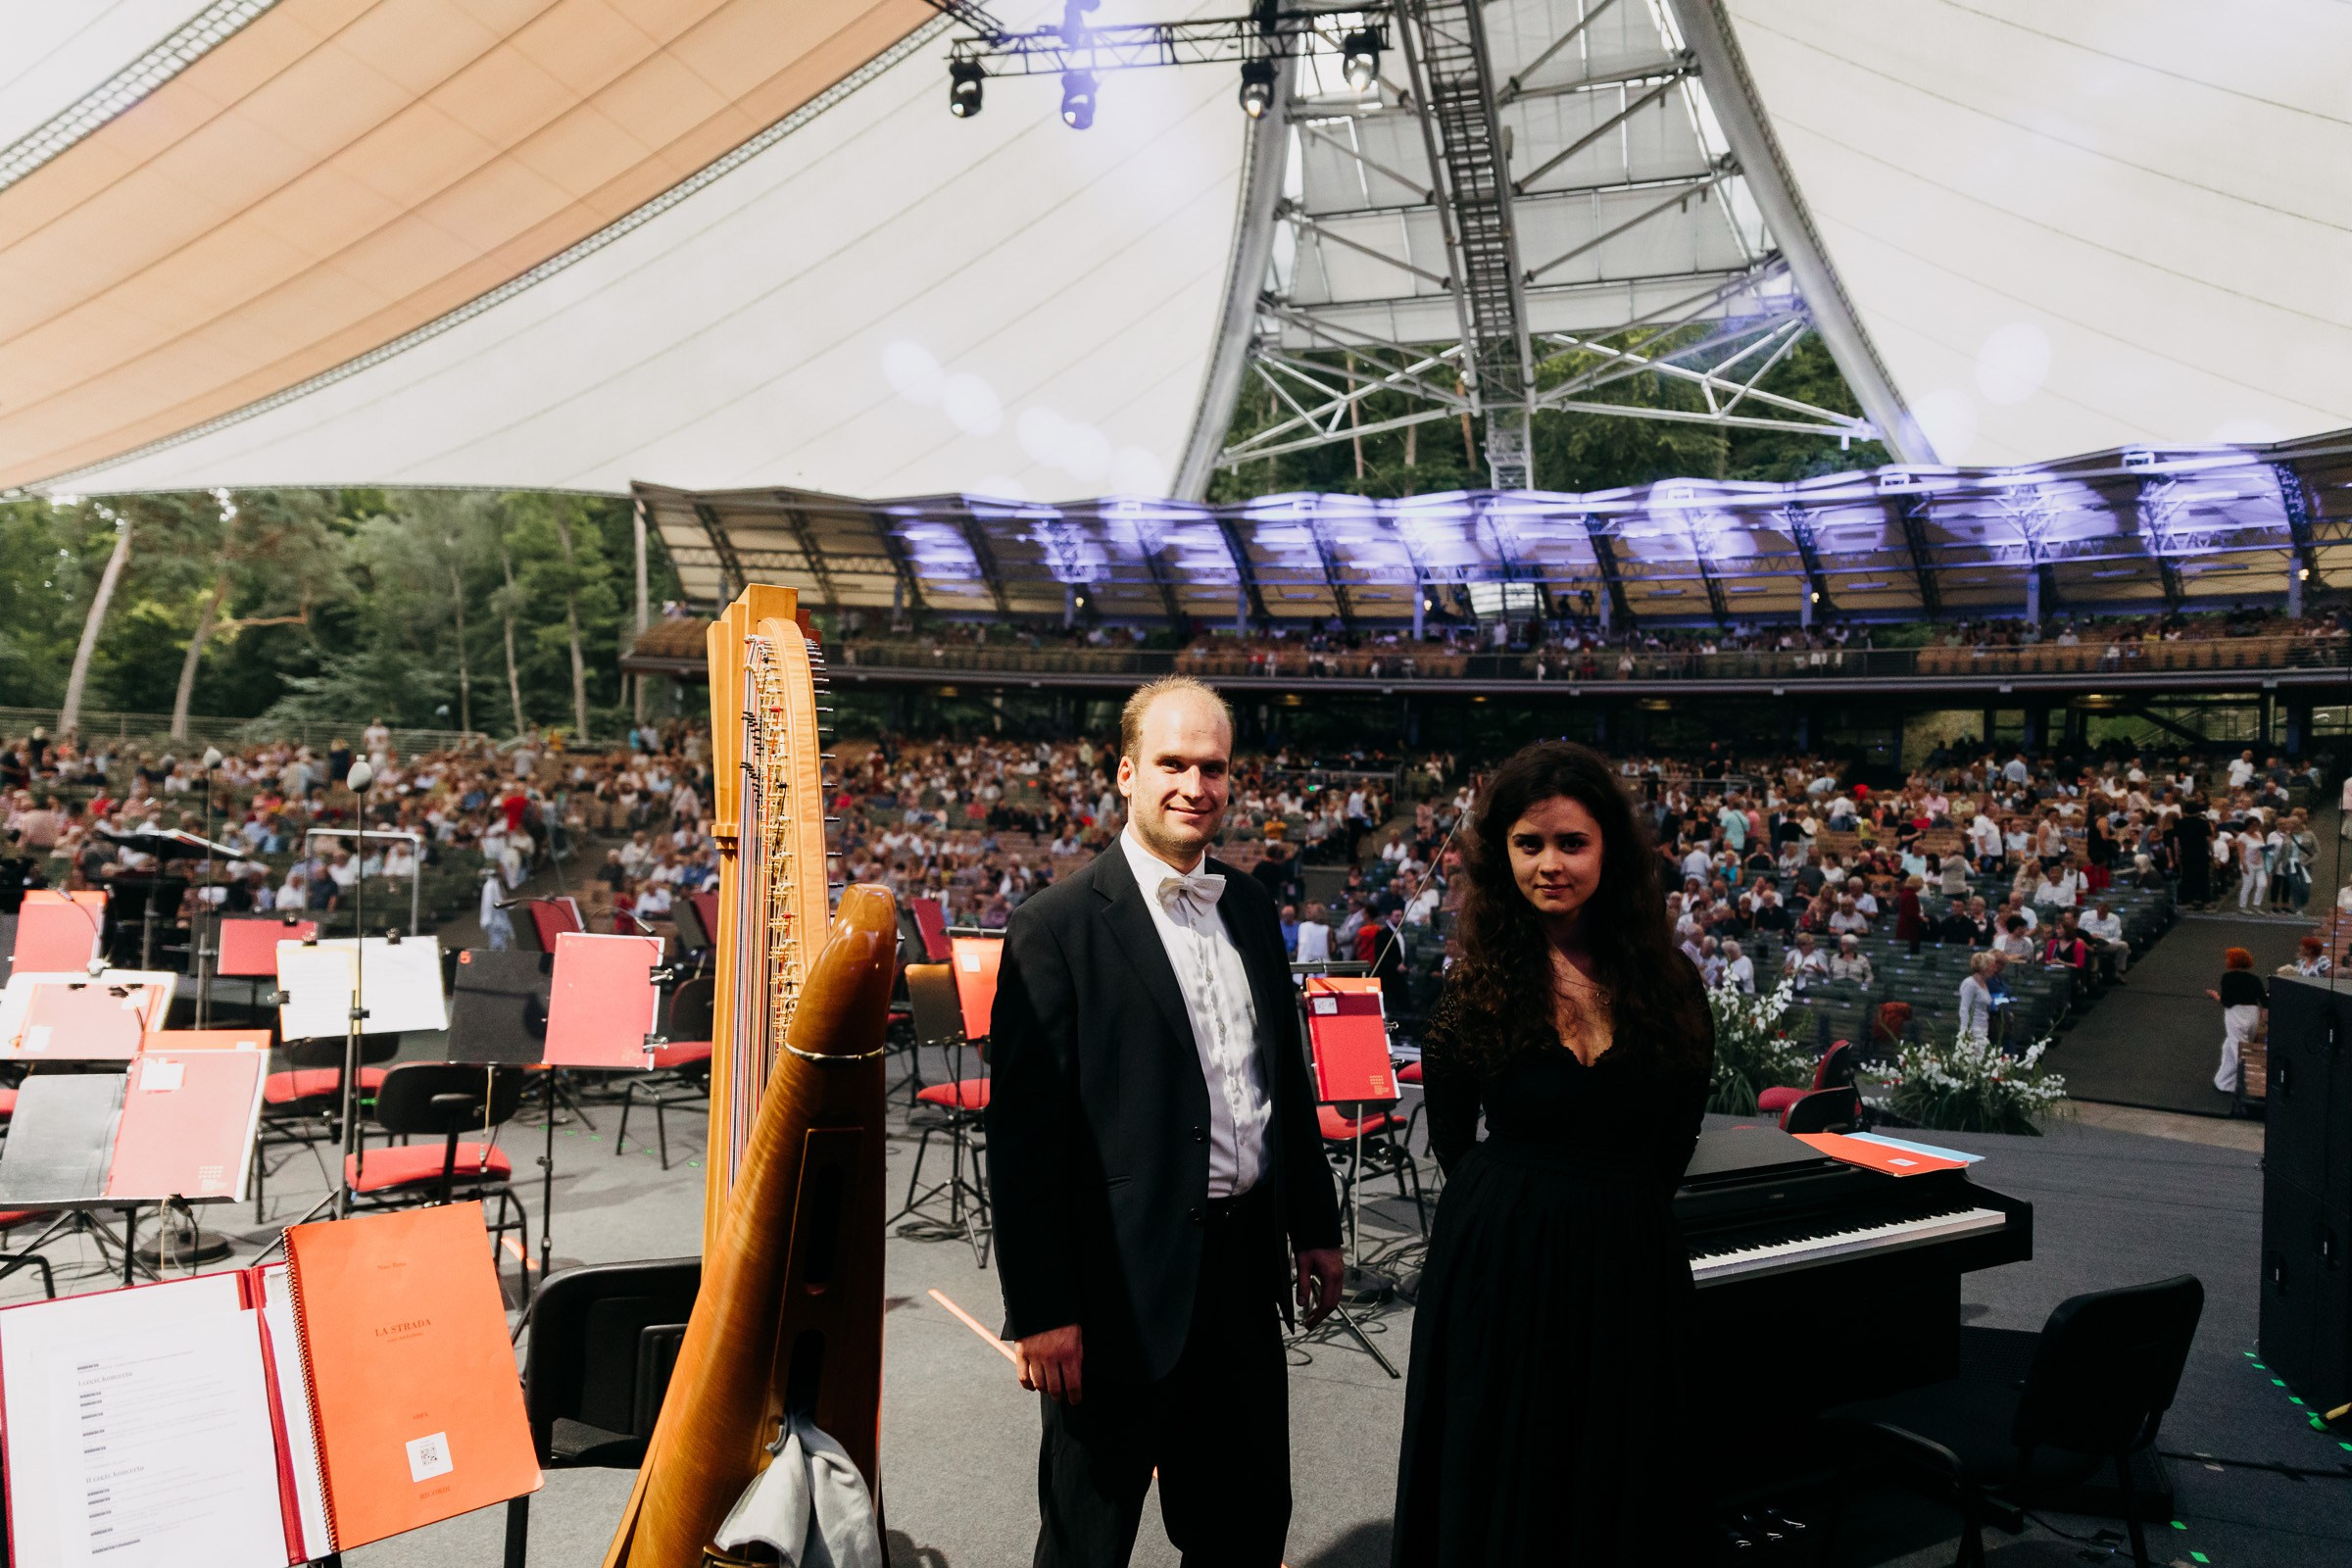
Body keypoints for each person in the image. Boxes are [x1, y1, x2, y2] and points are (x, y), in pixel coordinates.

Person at [986, 676, 1343, 1568]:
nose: (1194, 784)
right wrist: (1043, 1309)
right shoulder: (1054, 927)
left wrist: (1313, 1224)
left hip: (1241, 1276)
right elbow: (1025, 1145)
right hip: (1113, 1292)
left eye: (1213, 767)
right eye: (1172, 763)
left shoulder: (1254, 909)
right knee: (1087, 1543)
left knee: (1244, 1527)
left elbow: (1281, 1089)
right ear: (1125, 773)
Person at [1394, 741, 1713, 1565]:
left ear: (1610, 848)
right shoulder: (1474, 988)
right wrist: (1524, 1220)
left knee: (1614, 1477)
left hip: (1626, 1267)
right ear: (1502, 856)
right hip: (1498, 1268)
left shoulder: (1672, 985)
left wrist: (1600, 1216)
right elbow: (1457, 1144)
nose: (1550, 865)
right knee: (1499, 1475)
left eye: (1572, 843)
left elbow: (1675, 1139)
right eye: (1529, 844)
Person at [2205, 947, 2265, 1095]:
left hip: (2236, 1015)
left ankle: (2256, 1083)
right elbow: (2264, 1000)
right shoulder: (2255, 979)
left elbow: (2227, 1002)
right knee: (2229, 1048)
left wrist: (2215, 996)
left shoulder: (2228, 978)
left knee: (2240, 1051)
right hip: (2252, 1015)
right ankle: (2223, 1081)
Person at [1958, 951, 1999, 1040]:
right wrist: (1966, 1034)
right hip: (1972, 1032)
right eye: (1992, 966)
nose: (1994, 969)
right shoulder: (1970, 983)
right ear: (1984, 967)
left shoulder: (1984, 984)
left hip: (1983, 1030)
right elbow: (1964, 1009)